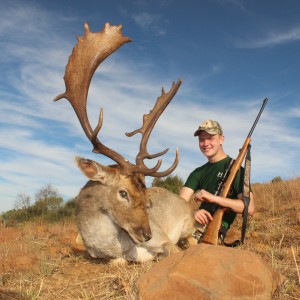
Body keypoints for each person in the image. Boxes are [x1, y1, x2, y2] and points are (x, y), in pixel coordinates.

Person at [179, 120, 254, 242]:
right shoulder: (198, 172)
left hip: (214, 230)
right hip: (193, 223)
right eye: (201, 139)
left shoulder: (237, 170)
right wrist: (192, 213)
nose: (205, 143)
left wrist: (213, 198)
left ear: (221, 139)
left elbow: (249, 208)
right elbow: (179, 203)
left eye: (210, 138)